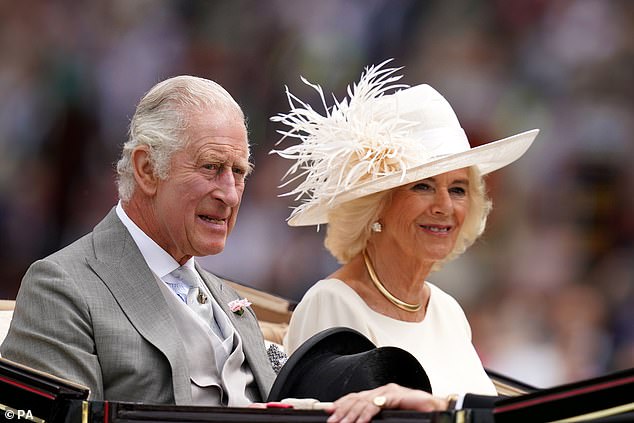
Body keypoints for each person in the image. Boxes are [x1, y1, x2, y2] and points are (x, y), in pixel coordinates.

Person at [271, 60, 539, 418]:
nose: (445, 206)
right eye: (423, 186)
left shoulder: (447, 311)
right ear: (377, 204)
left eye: (458, 189)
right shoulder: (333, 303)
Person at [0, 76, 276, 406]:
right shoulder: (62, 288)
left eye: (239, 172)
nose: (229, 194)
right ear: (146, 169)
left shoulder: (231, 301)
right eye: (211, 167)